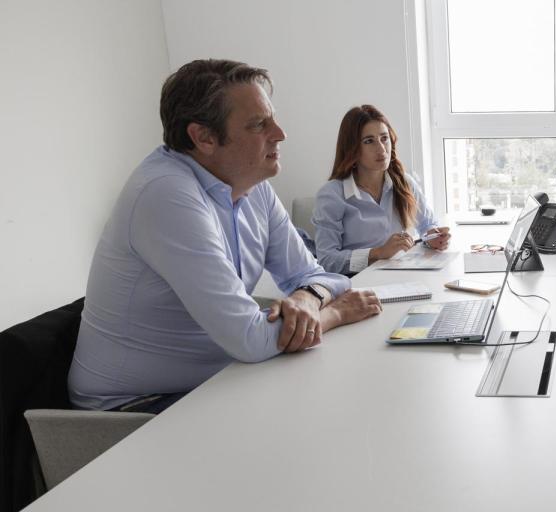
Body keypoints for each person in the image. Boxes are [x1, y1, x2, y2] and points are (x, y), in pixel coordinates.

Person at [69, 59, 382, 413]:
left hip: (212, 379)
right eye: (259, 124)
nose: (280, 133)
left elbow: (319, 276)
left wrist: (308, 300)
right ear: (203, 137)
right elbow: (250, 339)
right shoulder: (165, 194)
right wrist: (333, 315)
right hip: (132, 411)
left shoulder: (252, 185)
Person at [313, 105, 450, 275]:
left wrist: (433, 239)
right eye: (369, 141)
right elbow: (327, 260)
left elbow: (427, 225)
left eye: (384, 138)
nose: (381, 148)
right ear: (352, 149)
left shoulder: (405, 182)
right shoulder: (332, 195)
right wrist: (377, 252)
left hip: (404, 277)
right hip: (357, 286)